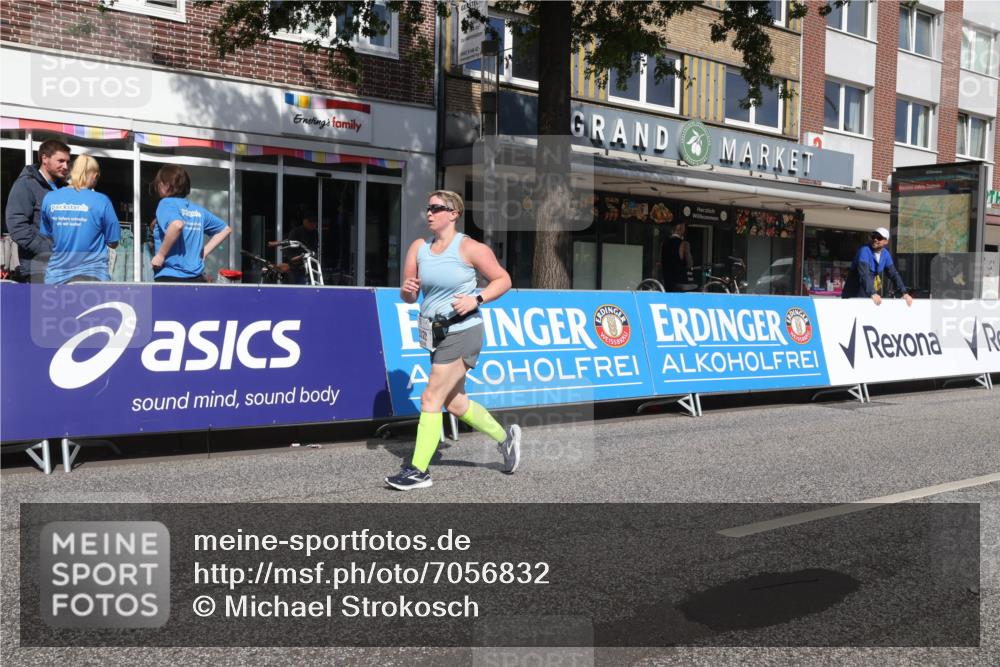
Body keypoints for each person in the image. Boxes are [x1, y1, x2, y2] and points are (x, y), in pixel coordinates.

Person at [385, 190, 520, 490]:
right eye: (428, 207)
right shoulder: (419, 248)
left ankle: (419, 470)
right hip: (435, 334)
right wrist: (407, 290)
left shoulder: (470, 248)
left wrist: (477, 299)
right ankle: (505, 437)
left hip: (464, 331)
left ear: (453, 213)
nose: (429, 213)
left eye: (436, 208)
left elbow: (504, 279)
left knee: (430, 397)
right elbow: (408, 296)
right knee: (456, 404)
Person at [39, 155, 120, 284]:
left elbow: (48, 236)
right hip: (92, 276)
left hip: (56, 277)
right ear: (94, 175)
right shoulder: (101, 200)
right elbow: (113, 242)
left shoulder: (50, 198)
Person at [149, 165, 231, 283]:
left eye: (158, 183)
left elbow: (177, 225)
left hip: (171, 278)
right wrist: (203, 253)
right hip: (197, 279)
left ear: (165, 185)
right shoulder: (197, 210)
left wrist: (160, 255)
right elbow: (226, 229)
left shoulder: (166, 203)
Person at [5, 139, 71, 282]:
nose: (65, 166)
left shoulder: (64, 188)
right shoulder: (26, 185)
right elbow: (18, 228)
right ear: (45, 158)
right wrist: (51, 251)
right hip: (38, 270)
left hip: (63, 268)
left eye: (67, 162)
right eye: (60, 161)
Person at [841, 226, 914, 306]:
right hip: (853, 295)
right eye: (873, 236)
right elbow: (865, 274)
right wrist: (873, 293)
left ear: (886, 241)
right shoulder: (864, 250)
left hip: (868, 294)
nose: (875, 239)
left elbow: (893, 274)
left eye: (879, 237)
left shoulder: (885, 254)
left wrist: (904, 293)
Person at [274, 212, 318, 284]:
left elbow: (315, 248)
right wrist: (295, 261)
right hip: (297, 266)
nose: (313, 224)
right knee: (300, 285)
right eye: (310, 222)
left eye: (315, 222)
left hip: (310, 264)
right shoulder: (296, 232)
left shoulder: (315, 233)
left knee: (312, 284)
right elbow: (289, 249)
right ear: (304, 221)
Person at [660, 222, 694, 291]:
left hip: (667, 281)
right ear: (680, 228)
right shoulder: (684, 243)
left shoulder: (664, 243)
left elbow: (660, 262)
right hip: (680, 282)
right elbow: (689, 264)